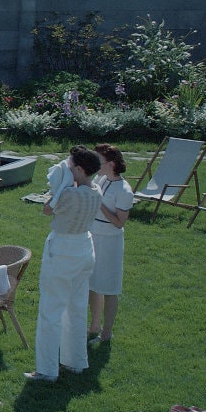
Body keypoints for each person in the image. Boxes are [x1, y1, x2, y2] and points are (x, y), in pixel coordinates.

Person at [30, 147, 103, 382]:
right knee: (77, 307)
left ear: (80, 169)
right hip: (84, 249)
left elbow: (47, 208)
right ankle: (76, 362)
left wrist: (62, 184)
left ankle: (47, 369)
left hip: (63, 251)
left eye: (71, 166)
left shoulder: (69, 195)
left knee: (50, 311)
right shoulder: (97, 190)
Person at [87, 144, 135, 345]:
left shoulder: (124, 190)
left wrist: (100, 204)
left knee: (109, 287)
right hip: (93, 235)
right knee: (92, 284)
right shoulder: (101, 179)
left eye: (100, 162)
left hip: (110, 241)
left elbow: (119, 223)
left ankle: (107, 332)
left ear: (112, 164)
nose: (97, 165)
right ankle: (94, 326)